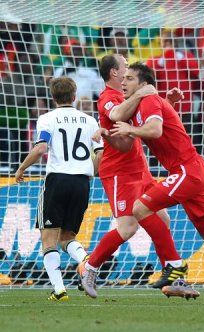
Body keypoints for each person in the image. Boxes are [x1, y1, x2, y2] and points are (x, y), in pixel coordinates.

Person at [110, 62, 204, 305]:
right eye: (123, 78)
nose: (123, 83)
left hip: (187, 170)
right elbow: (138, 119)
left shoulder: (148, 100)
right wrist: (169, 104)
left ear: (143, 84)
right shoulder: (146, 101)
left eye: (130, 78)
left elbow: (155, 131)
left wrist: (131, 129)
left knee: (139, 208)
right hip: (193, 170)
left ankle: (174, 263)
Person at [78, 54, 197, 299]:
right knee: (128, 227)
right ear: (114, 73)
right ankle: (90, 268)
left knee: (162, 218)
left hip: (139, 169)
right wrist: (143, 93)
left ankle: (173, 277)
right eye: (125, 67)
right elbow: (117, 118)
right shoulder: (108, 99)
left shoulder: (128, 97)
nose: (128, 70)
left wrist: (165, 102)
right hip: (119, 173)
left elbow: (147, 124)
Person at [14, 77, 104, 301]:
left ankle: (59, 289)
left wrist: (21, 168)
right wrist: (89, 172)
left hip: (57, 180)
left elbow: (41, 148)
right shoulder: (89, 121)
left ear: (53, 97)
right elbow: (101, 154)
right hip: (82, 182)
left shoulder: (47, 119)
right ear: (74, 97)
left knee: (49, 239)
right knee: (68, 236)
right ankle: (84, 260)